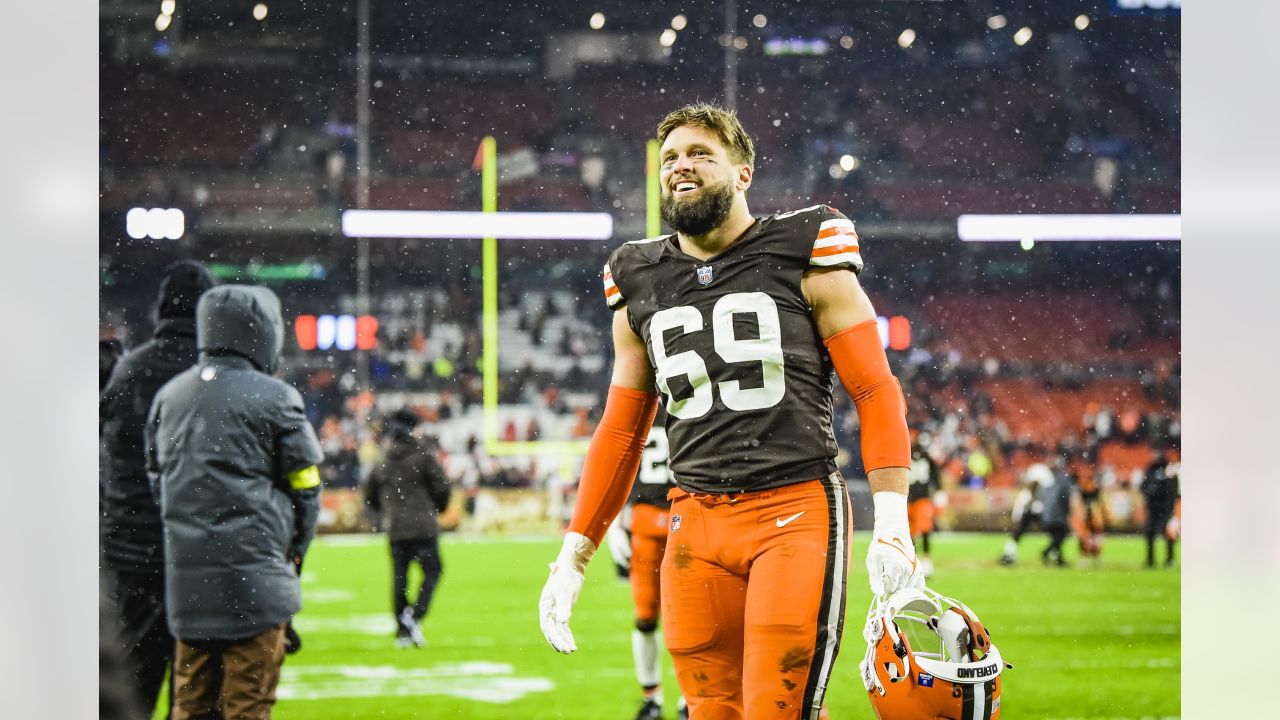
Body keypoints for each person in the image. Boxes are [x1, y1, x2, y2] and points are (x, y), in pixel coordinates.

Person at [539, 103, 918, 719]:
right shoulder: (639, 275)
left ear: (743, 173)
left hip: (794, 510)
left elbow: (875, 389)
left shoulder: (804, 245)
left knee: (778, 710)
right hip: (695, 521)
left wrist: (894, 519)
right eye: (669, 158)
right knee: (711, 712)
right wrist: (574, 554)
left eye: (700, 155)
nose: (680, 166)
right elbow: (621, 429)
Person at [146, 285, 322, 720]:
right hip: (256, 589)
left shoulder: (170, 398)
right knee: (247, 708)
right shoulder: (277, 399)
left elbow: (158, 483)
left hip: (188, 593)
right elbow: (307, 490)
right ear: (264, 332)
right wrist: (292, 550)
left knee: (190, 706)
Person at [100, 260, 216, 714]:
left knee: (135, 685)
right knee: (198, 693)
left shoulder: (130, 368)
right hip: (197, 553)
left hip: (132, 552)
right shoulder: (214, 377)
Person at [604, 412, 690, 720]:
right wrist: (613, 523)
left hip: (688, 518)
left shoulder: (686, 399)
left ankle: (688, 698)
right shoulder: (644, 407)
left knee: (692, 617)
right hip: (650, 523)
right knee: (645, 614)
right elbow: (618, 463)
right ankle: (652, 697)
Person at [362, 407, 453, 648]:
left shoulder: (383, 457)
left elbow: (369, 492)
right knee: (433, 571)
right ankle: (415, 615)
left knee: (399, 577)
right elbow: (442, 487)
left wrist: (385, 513)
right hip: (423, 527)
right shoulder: (423, 453)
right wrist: (438, 507)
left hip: (396, 528)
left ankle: (403, 629)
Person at [999, 454, 1052, 566]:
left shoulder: (1030, 494)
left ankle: (1009, 553)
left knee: (1018, 534)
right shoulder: (1029, 495)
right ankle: (1009, 554)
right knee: (1019, 534)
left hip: (1032, 511)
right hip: (1031, 511)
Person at [907, 432, 942, 578]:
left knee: (925, 530)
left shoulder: (927, 459)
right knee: (911, 533)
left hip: (922, 499)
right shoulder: (907, 456)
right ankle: (912, 563)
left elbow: (936, 476)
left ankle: (926, 561)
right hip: (909, 498)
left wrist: (940, 491)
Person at [1140, 442, 1180, 568]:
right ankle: (1150, 560)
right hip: (1152, 508)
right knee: (1149, 533)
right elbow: (1143, 486)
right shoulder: (1150, 469)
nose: (1154, 455)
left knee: (1168, 533)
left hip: (1165, 507)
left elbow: (1173, 488)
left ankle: (1169, 560)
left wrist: (1160, 492)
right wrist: (1150, 492)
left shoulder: (1168, 469)